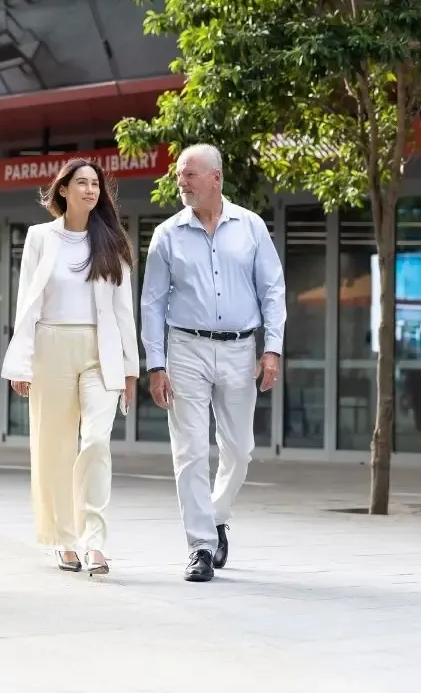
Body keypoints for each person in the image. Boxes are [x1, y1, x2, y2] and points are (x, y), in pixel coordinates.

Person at [140, 143, 286, 582]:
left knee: (239, 451)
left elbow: (273, 290)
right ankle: (200, 546)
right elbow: (151, 303)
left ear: (215, 178)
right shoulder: (167, 234)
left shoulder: (251, 227)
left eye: (189, 175)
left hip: (242, 349)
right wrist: (156, 363)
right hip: (186, 348)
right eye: (180, 175)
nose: (181, 182)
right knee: (189, 451)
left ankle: (217, 515)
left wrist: (272, 348)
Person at [1, 158, 139, 576]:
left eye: (95, 184)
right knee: (54, 448)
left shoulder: (112, 241)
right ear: (63, 190)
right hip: (51, 348)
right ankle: (64, 538)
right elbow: (28, 302)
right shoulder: (41, 237)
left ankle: (95, 543)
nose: (91, 190)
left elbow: (123, 310)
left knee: (96, 441)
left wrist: (131, 368)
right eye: (82, 183)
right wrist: (22, 364)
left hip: (101, 351)